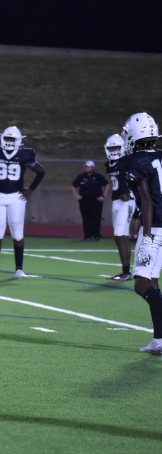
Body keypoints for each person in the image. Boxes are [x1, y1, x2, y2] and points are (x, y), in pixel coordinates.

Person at [119, 112, 162, 354]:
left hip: (154, 227)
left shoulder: (133, 161)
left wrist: (146, 233)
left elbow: (145, 199)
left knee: (142, 284)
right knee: (153, 281)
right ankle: (159, 340)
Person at [0, 126, 46, 279]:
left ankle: (19, 269)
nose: (9, 142)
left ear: (19, 141)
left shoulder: (25, 154)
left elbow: (41, 172)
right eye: (7, 138)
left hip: (16, 197)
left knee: (17, 233)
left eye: (12, 139)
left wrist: (30, 190)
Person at [104, 133, 135, 281]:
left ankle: (126, 272)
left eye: (117, 147)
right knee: (121, 236)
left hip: (127, 201)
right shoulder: (109, 164)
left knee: (119, 234)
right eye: (112, 148)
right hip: (116, 201)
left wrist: (129, 192)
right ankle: (126, 271)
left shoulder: (128, 162)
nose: (114, 150)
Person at [71, 160, 110, 241]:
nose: (86, 168)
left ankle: (96, 235)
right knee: (86, 218)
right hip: (84, 200)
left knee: (96, 218)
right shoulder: (81, 177)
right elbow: (73, 186)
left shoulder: (98, 176)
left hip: (96, 200)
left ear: (92, 167)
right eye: (85, 166)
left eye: (88, 167)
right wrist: (77, 196)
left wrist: (103, 196)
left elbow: (107, 185)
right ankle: (87, 236)